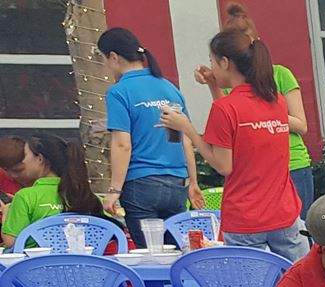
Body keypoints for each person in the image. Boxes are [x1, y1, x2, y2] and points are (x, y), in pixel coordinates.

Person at [160, 25, 307, 261]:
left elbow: (223, 165)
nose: (211, 67)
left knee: (250, 283)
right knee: (298, 278)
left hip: (245, 217)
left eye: (212, 61)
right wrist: (213, 85)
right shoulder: (275, 101)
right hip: (284, 212)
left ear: (225, 62)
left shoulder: (224, 109)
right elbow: (238, 116)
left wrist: (187, 128)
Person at [202, 4, 314, 214]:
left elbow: (301, 125)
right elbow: (227, 119)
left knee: (297, 227)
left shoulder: (280, 74)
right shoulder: (230, 85)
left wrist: (263, 114)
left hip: (292, 165)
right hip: (253, 169)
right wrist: (213, 84)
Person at [98, 28, 199, 247]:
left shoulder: (119, 92)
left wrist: (114, 190)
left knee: (150, 255)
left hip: (140, 184)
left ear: (113, 57)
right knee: (176, 253)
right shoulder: (169, 88)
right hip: (177, 184)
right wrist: (193, 182)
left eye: (103, 59)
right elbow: (185, 138)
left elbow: (122, 144)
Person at [0, 135, 105, 248]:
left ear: (40, 159)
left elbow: (11, 242)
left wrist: (7, 212)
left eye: (25, 155)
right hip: (81, 258)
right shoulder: (87, 196)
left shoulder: (25, 196)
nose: (22, 161)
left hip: (36, 259)